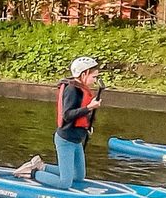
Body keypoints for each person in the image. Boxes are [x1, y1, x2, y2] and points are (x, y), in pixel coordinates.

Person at [16, 56, 103, 189]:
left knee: (78, 176)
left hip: (77, 140)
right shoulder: (72, 90)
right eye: (94, 77)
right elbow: (67, 115)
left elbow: (81, 113)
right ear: (84, 74)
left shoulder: (82, 89)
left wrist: (88, 121)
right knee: (65, 183)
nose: (95, 80)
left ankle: (41, 166)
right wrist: (89, 107)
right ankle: (32, 172)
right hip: (66, 140)